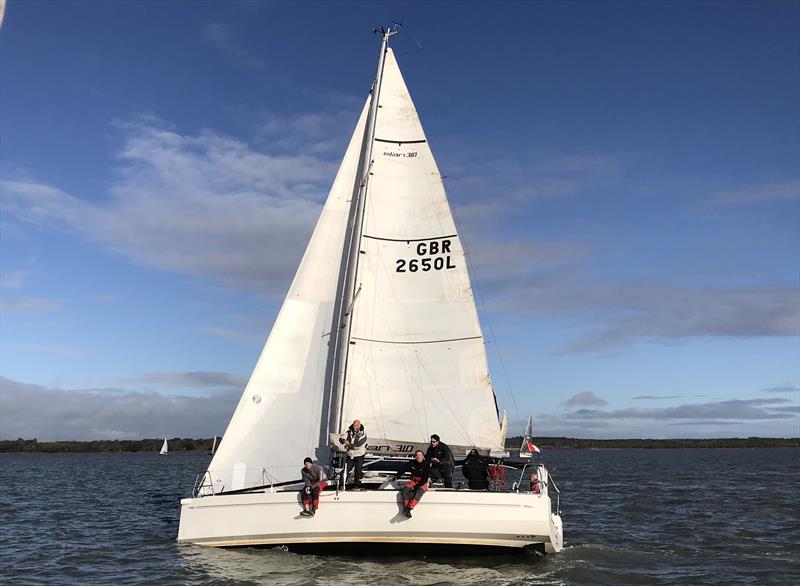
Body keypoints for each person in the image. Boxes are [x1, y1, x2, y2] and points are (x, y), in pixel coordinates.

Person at [398, 450, 430, 518]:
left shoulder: (426, 464)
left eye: (420, 455)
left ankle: (409, 508)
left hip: (422, 482)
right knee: (405, 490)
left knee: (419, 491)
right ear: (415, 457)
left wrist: (415, 487)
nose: (418, 457)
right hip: (413, 481)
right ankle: (406, 508)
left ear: (423, 456)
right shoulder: (412, 463)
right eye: (417, 455)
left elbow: (425, 479)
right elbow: (403, 469)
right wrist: (397, 476)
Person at [338, 419, 367, 490]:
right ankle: (342, 484)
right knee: (346, 470)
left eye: (356, 426)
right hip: (350, 455)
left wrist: (348, 445)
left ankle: (357, 486)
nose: (354, 427)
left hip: (359, 455)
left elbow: (358, 445)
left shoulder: (363, 435)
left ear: (359, 426)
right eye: (354, 425)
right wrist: (344, 441)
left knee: (358, 471)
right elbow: (341, 438)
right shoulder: (348, 432)